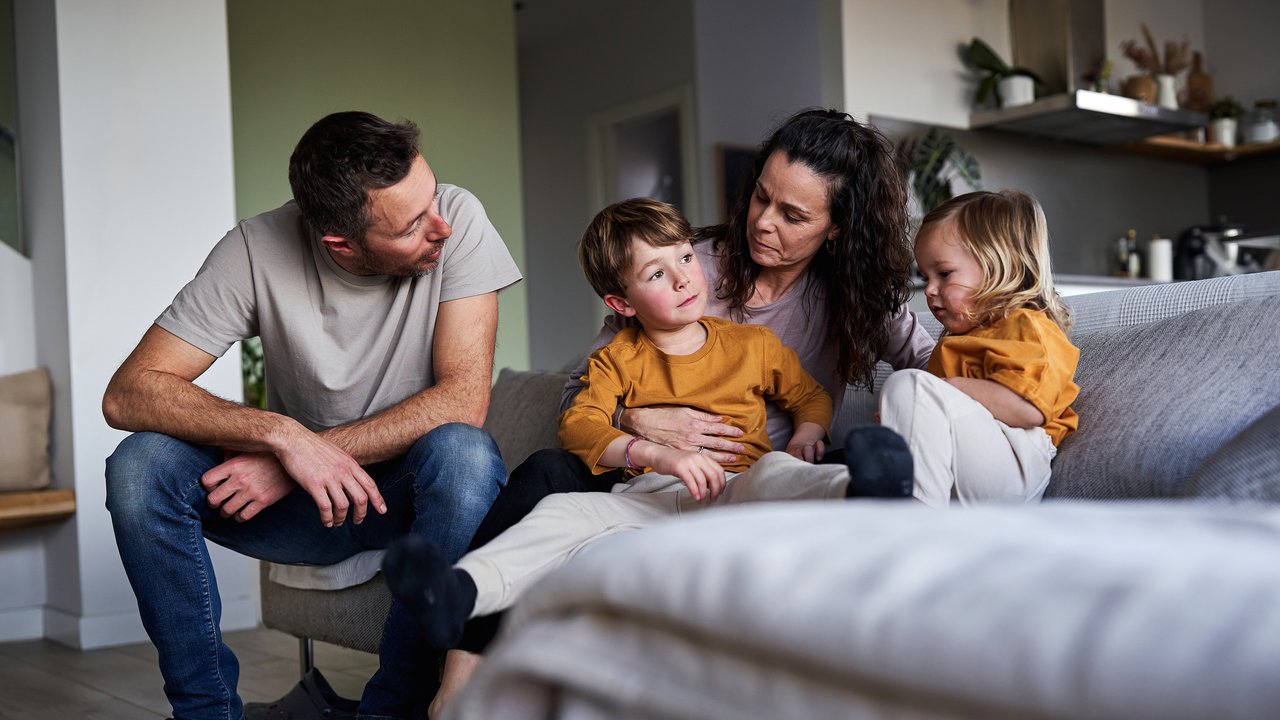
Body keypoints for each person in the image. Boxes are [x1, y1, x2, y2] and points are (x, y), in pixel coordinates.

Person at [382, 198, 913, 713]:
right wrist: (655, 454)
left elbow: (810, 395)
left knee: (779, 471)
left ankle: (861, 488)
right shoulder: (617, 359)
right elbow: (579, 425)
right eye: (656, 274)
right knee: (563, 512)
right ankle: (462, 592)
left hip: (735, 487)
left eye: (685, 258)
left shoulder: (751, 344)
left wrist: (808, 433)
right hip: (646, 496)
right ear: (622, 304)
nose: (684, 278)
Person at [101, 111, 522, 720]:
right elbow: (128, 394)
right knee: (139, 467)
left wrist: (313, 453)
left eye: (432, 198)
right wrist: (281, 438)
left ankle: (393, 710)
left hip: (409, 495)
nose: (442, 227)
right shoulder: (255, 248)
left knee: (464, 452)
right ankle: (206, 712)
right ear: (341, 244)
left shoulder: (459, 223)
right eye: (411, 226)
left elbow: (464, 401)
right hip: (302, 511)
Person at [887, 189, 1080, 507]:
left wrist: (944, 390)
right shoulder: (953, 341)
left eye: (944, 274)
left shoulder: (1028, 326)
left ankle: (914, 522)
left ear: (997, 264)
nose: (931, 290)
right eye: (925, 277)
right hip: (969, 467)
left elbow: (1028, 410)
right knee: (907, 395)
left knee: (911, 385)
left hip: (1016, 460)